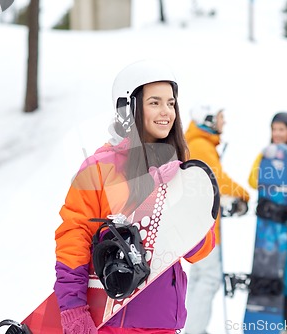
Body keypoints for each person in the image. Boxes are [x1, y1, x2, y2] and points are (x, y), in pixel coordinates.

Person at [54, 60, 216, 334]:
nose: (166, 112)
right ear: (127, 108)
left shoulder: (180, 170)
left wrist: (184, 209)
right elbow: (74, 237)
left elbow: (201, 250)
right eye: (154, 102)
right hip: (112, 321)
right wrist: (72, 309)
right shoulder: (98, 168)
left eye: (171, 103)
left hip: (164, 321)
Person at [183, 104, 250, 334]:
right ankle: (195, 329)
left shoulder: (199, 143)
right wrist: (243, 194)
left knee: (200, 277)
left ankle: (192, 326)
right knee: (209, 278)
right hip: (204, 226)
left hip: (199, 223)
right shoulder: (201, 145)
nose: (224, 122)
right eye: (221, 117)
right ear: (209, 119)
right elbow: (217, 179)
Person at [247, 112, 287, 328]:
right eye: (274, 129)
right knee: (271, 278)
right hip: (268, 233)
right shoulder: (265, 155)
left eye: (282, 129)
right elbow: (252, 179)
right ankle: (275, 325)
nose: (277, 134)